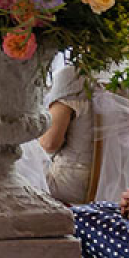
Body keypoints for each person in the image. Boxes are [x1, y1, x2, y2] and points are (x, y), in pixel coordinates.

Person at [36, 62, 97, 205]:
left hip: (71, 184)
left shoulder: (73, 76)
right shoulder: (123, 78)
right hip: (113, 179)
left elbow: (49, 143)